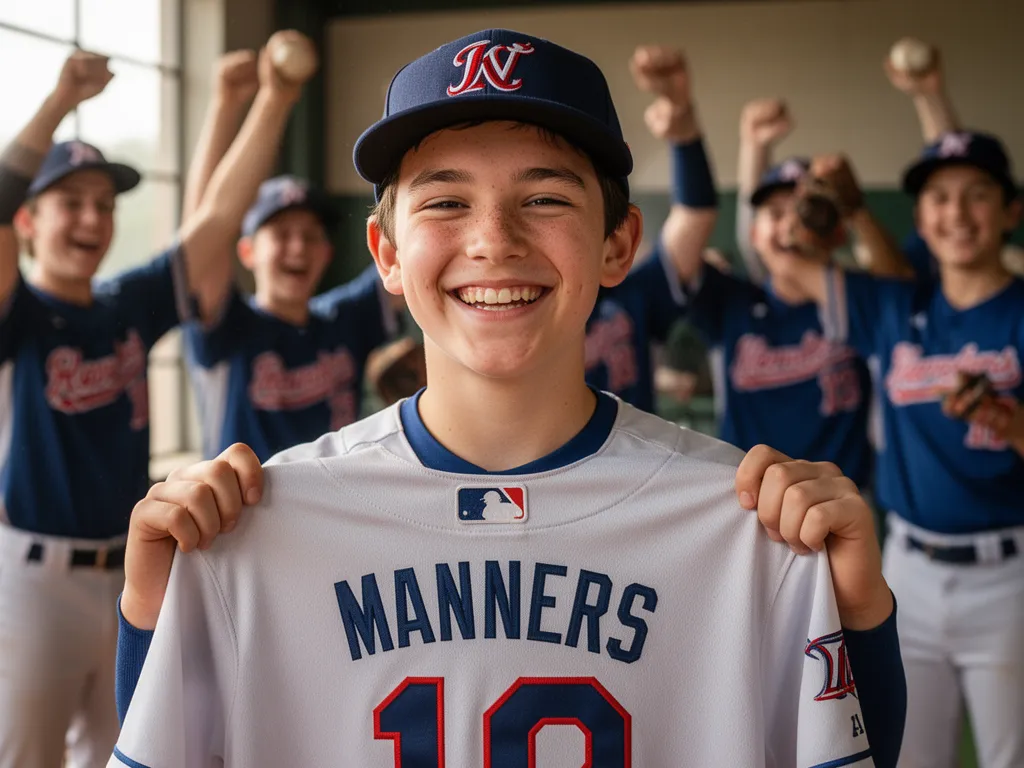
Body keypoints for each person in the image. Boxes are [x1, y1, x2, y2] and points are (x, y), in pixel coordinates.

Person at [109, 30, 904, 767]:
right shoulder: (265, 526)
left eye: (546, 198)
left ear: (618, 243)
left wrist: (855, 606)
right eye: (446, 201)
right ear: (386, 253)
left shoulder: (742, 523)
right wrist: (156, 606)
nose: (494, 238)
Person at [0, 41, 311, 768]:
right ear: (26, 224)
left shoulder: (125, 307)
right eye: (69, 202)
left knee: (136, 753)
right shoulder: (13, 315)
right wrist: (58, 102)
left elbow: (220, 216)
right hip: (28, 584)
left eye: (104, 205)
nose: (91, 218)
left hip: (129, 579)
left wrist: (275, 99)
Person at [765, 117, 1023, 768]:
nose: (957, 214)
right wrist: (842, 208)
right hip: (906, 569)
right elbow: (790, 263)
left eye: (978, 195)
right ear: (920, 216)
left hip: (1009, 578)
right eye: (939, 198)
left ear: (1010, 210)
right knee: (903, 754)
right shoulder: (894, 305)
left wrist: (1007, 419)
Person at [648, 48, 900, 490]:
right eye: (774, 213)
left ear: (834, 232)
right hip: (747, 507)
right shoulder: (734, 301)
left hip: (842, 506)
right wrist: (753, 146)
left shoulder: (859, 301)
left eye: (802, 212)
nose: (788, 225)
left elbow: (899, 290)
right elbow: (724, 248)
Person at [179, 51, 403, 462]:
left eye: (310, 236)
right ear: (247, 251)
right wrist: (224, 105)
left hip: (333, 512)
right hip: (243, 519)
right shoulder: (229, 326)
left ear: (327, 253)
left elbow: (413, 255)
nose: (298, 247)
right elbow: (202, 233)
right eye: (281, 234)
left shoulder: (343, 319)